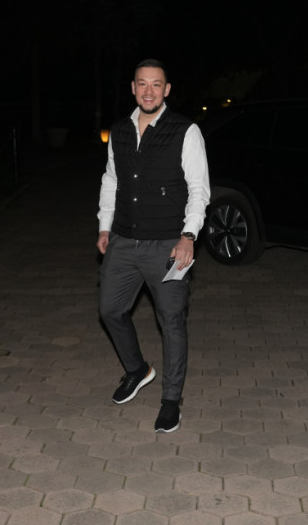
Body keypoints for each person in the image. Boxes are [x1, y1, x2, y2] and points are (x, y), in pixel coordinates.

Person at [97, 59, 210, 433]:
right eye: (142, 84)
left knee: (171, 321)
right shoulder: (119, 130)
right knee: (110, 310)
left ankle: (171, 401)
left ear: (167, 89)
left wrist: (188, 236)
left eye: (156, 84)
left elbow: (198, 190)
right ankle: (137, 370)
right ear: (133, 88)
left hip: (167, 244)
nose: (149, 91)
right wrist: (105, 226)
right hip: (123, 239)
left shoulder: (186, 131)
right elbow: (111, 180)